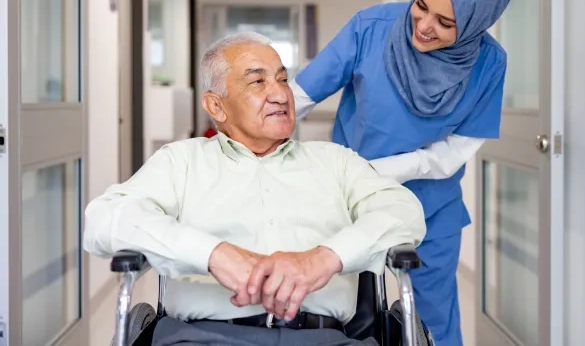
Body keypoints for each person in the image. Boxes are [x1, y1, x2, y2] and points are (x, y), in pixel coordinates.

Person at [83, 32, 426, 346]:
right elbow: (102, 220)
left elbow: (403, 212)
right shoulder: (180, 162)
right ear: (216, 106)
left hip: (323, 339)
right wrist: (213, 254)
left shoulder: (336, 162)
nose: (279, 94)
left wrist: (323, 259)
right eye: (257, 82)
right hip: (199, 338)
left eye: (281, 79)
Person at [291, 0, 512, 345]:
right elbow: (300, 97)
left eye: (445, 22)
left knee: (432, 324)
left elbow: (456, 151)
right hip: (348, 200)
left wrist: (383, 169)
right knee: (334, 312)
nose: (424, 25)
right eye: (421, 5)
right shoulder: (371, 28)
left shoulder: (489, 63)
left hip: (431, 206)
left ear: (476, 25)